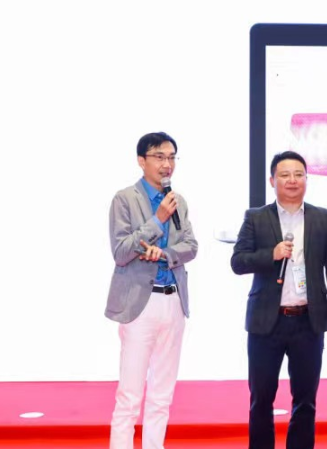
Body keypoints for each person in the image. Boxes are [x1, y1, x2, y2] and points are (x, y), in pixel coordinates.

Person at [231, 150, 327, 449]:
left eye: (298, 174)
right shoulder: (256, 217)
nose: (292, 180)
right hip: (266, 323)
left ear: (307, 179)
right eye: (285, 175)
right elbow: (238, 262)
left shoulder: (322, 217)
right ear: (272, 180)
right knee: (261, 399)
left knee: (306, 400)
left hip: (308, 321)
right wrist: (270, 254)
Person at [105, 132, 198, 449]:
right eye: (159, 156)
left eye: (171, 157)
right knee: (129, 396)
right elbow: (121, 252)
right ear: (141, 160)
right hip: (139, 305)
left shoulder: (178, 201)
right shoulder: (124, 199)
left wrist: (166, 254)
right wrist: (157, 220)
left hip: (173, 301)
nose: (167, 164)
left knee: (162, 396)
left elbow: (191, 246)